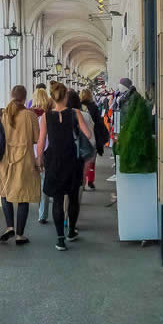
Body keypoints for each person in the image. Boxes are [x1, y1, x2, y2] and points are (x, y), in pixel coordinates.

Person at [36, 83, 93, 251]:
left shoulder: (46, 117)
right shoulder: (75, 113)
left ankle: (60, 239)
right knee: (73, 197)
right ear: (66, 97)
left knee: (58, 199)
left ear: (52, 98)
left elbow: (41, 141)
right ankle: (71, 231)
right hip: (72, 159)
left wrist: (40, 159)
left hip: (54, 159)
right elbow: (88, 134)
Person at [0, 86, 40, 245]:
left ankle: (9, 227)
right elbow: (36, 138)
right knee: (23, 196)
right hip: (23, 160)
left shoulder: (3, 114)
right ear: (24, 97)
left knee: (5, 193)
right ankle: (20, 235)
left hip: (4, 160)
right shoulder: (30, 115)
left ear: (11, 95)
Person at [31, 86, 54, 225]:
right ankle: (46, 212)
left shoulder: (30, 112)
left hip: (34, 150)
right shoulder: (49, 113)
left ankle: (42, 213)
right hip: (48, 150)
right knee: (46, 181)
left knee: (39, 183)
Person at [67, 90, 96, 194]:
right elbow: (90, 133)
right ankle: (80, 192)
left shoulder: (58, 115)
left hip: (67, 150)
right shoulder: (85, 115)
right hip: (84, 149)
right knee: (82, 173)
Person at [80, 88, 108, 188]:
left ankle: (82, 180)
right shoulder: (94, 107)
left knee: (81, 160)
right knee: (92, 161)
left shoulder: (78, 107)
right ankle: (90, 180)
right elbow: (99, 124)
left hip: (81, 137)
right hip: (92, 137)